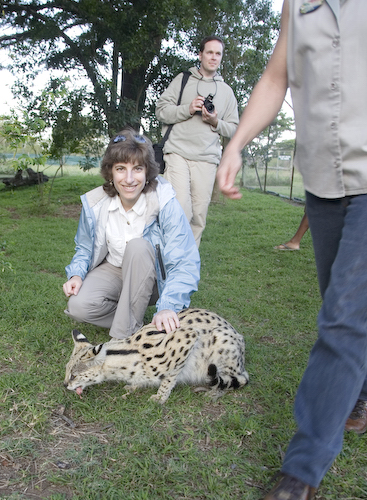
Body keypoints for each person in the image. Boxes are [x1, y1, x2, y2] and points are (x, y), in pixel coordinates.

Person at [217, 1, 367, 499]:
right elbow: (276, 77)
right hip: (324, 182)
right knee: (341, 302)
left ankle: (299, 476)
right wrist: (236, 143)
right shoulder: (297, 5)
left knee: (344, 316)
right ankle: (361, 393)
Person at [63, 128, 200, 339]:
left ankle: (121, 339)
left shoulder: (164, 201)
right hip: (115, 269)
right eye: (120, 168)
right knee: (79, 306)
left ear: (147, 172)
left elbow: (184, 261)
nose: (129, 179)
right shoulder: (95, 204)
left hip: (153, 277)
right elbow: (84, 247)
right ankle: (134, 322)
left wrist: (168, 305)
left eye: (137, 168)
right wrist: (76, 274)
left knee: (137, 247)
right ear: (110, 173)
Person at [155, 35, 239, 247]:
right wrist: (188, 109)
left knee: (198, 216)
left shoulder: (227, 92)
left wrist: (215, 121)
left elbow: (234, 128)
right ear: (200, 55)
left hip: (207, 159)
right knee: (180, 208)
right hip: (178, 153)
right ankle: (169, 260)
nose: (213, 57)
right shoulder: (182, 80)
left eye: (218, 53)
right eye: (209, 52)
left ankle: (187, 268)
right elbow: (161, 111)